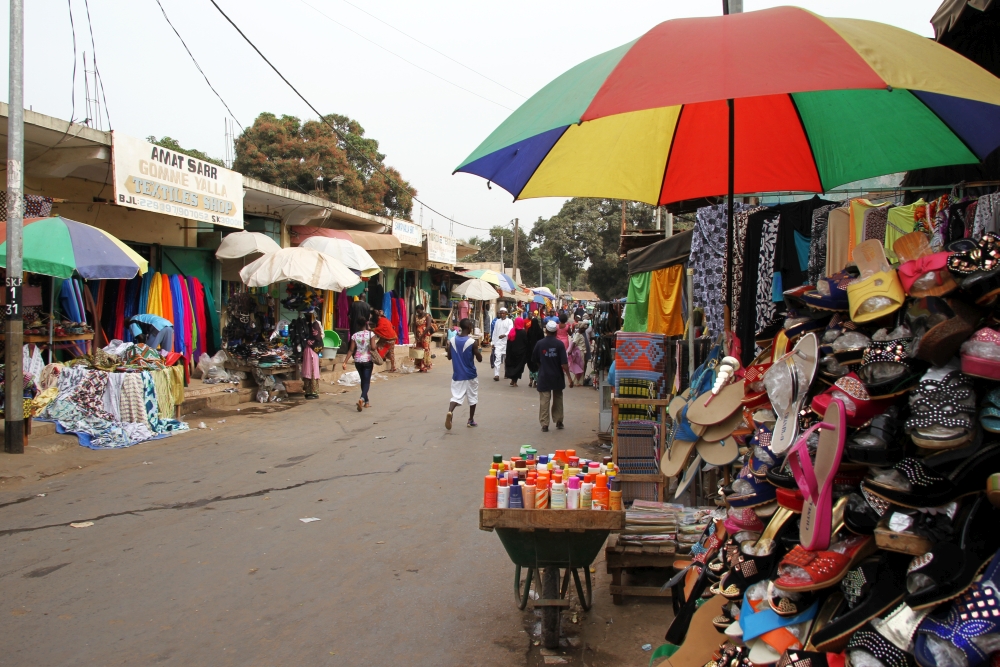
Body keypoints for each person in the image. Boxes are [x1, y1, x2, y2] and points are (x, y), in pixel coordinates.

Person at [532, 320, 572, 432]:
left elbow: (534, 359)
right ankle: (559, 421)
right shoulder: (559, 344)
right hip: (557, 376)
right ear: (556, 332)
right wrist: (569, 377)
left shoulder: (540, 344)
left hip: (544, 375)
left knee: (544, 400)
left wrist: (542, 365)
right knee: (558, 398)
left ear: (546, 330)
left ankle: (545, 424)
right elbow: (564, 363)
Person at [445, 318, 482, 429]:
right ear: (469, 327)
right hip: (470, 374)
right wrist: (478, 352)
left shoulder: (452, 340)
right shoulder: (472, 342)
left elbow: (449, 357)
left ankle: (450, 412)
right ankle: (470, 420)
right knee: (473, 397)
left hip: (457, 375)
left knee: (456, 396)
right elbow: (479, 359)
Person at [343, 315, 375, 412]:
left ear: (357, 325)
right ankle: (362, 398)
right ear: (366, 324)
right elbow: (373, 348)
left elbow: (351, 350)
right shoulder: (371, 334)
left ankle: (367, 401)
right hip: (368, 360)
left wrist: (345, 362)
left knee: (363, 380)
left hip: (358, 361)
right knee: (367, 381)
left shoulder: (355, 335)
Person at [300, 308, 324, 399]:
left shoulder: (314, 324)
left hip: (312, 350)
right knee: (309, 369)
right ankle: (309, 391)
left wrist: (308, 341)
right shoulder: (308, 324)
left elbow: (317, 337)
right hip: (309, 350)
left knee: (312, 369)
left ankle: (313, 391)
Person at [490, 306, 514, 381]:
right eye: (501, 313)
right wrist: (493, 342)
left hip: (506, 343)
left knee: (506, 359)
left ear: (506, 314)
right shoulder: (497, 321)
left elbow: (510, 330)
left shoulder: (509, 321)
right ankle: (496, 375)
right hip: (498, 343)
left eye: (503, 313)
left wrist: (504, 335)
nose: (502, 314)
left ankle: (506, 373)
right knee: (497, 359)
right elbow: (494, 332)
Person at [503, 317, 528, 386]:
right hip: (521, 354)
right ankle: (515, 381)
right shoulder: (523, 332)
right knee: (519, 367)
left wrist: (508, 352)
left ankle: (512, 380)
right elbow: (526, 343)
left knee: (513, 366)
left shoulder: (512, 331)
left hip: (512, 352)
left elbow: (509, 342)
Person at [411, 304, 436, 372]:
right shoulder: (416, 317)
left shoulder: (427, 316)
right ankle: (420, 366)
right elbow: (414, 326)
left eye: (419, 311)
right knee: (419, 350)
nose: (418, 312)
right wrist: (416, 335)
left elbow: (428, 326)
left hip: (425, 335)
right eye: (417, 311)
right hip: (418, 335)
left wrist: (421, 336)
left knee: (425, 349)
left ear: (422, 309)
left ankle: (425, 365)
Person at [524, 314, 545, 388]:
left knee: (531, 366)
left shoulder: (529, 330)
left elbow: (527, 341)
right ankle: (535, 382)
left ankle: (530, 380)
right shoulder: (540, 331)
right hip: (538, 351)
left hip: (530, 351)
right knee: (537, 366)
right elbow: (543, 341)